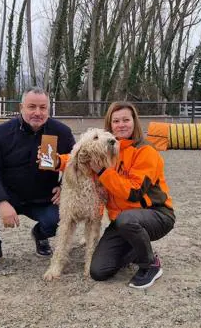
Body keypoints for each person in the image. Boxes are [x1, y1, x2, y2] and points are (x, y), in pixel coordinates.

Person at [55, 101, 175, 289]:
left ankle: (150, 265)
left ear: (134, 122)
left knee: (127, 220)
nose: (121, 125)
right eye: (116, 121)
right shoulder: (108, 149)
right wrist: (55, 161)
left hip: (155, 214)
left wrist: (103, 172)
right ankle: (134, 249)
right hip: (121, 221)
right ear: (110, 125)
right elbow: (79, 156)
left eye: (126, 120)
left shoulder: (146, 152)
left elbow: (134, 193)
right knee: (99, 271)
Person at [0, 87, 76, 274]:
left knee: (60, 216)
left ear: (49, 109)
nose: (37, 112)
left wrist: (63, 186)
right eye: (32, 107)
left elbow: (76, 166)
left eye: (43, 107)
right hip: (8, 194)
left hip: (44, 197)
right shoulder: (1, 133)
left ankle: (40, 235)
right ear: (21, 107)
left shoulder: (62, 132)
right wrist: (0, 202)